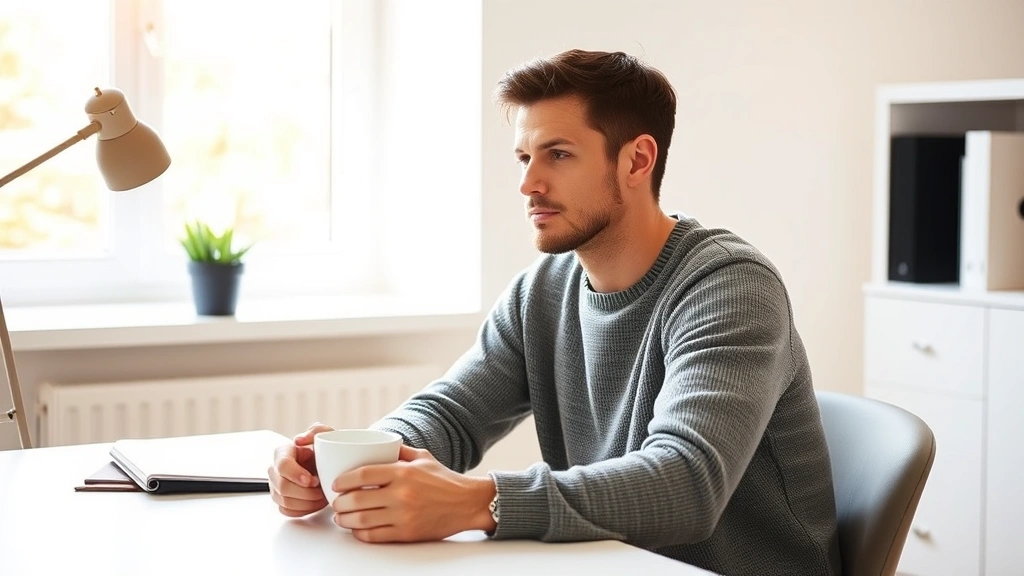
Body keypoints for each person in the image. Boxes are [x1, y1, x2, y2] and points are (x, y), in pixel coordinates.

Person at [269, 48, 842, 575]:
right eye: (523, 156)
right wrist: (355, 465)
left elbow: (688, 482)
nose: (527, 183)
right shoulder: (543, 291)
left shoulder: (730, 286)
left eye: (558, 155)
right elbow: (451, 412)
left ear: (637, 160)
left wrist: (481, 501)